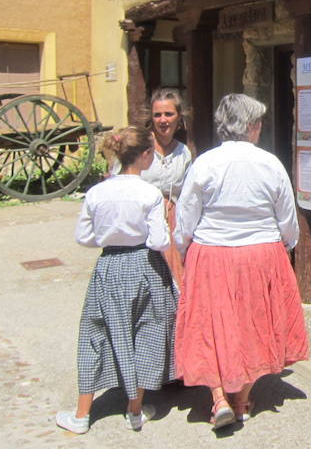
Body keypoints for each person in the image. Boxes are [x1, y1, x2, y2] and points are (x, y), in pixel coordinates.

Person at [174, 94, 307, 429]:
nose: (260, 127)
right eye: (258, 122)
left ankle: (219, 398)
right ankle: (243, 400)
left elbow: (186, 217)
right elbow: (287, 217)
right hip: (261, 252)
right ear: (250, 126)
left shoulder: (204, 163)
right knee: (254, 324)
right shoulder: (270, 163)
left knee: (211, 324)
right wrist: (288, 245)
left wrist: (183, 249)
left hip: (213, 252)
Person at [56, 127, 177, 434]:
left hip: (109, 265)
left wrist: (110, 234)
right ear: (145, 155)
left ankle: (82, 415)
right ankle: (135, 411)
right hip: (145, 265)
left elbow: (83, 237)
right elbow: (161, 242)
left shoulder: (98, 192)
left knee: (96, 333)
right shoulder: (149, 193)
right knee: (145, 332)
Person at [143, 89, 193, 289]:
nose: (163, 120)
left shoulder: (183, 152)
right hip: (143, 219)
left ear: (179, 117)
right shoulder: (140, 146)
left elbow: (188, 193)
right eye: (158, 115)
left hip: (172, 219)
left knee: (174, 277)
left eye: (169, 114)